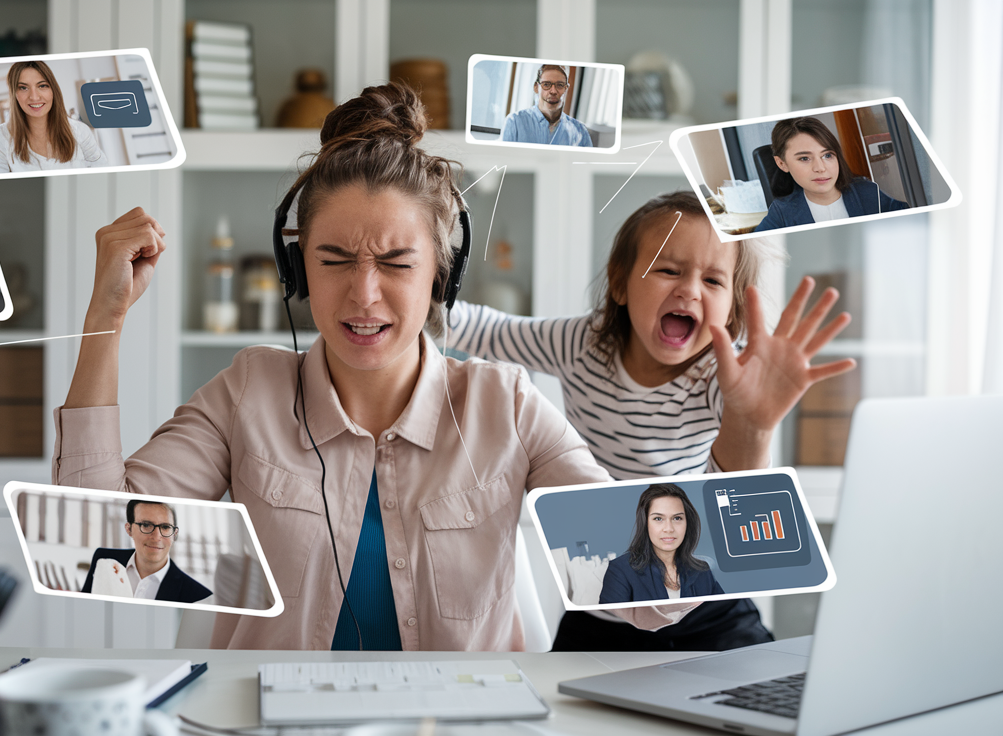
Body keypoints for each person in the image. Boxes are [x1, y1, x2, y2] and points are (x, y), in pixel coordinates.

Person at [53, 83, 693, 651]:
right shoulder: (249, 393)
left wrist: (742, 438)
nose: (364, 294)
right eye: (333, 260)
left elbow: (650, 600)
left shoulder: (508, 406)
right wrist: (104, 317)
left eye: (394, 262)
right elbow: (89, 551)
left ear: (441, 275)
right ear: (298, 270)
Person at [445, 190, 856, 650]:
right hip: (603, 606)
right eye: (668, 270)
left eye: (715, 281)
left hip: (706, 606)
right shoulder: (580, 343)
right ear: (620, 284)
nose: (689, 290)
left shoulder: (723, 376)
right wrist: (416, 289)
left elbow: (741, 509)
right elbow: (481, 329)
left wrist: (753, 424)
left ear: (734, 312)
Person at [753, 116, 908, 231]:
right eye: (805, 158)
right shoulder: (782, 212)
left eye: (827, 155)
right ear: (782, 163)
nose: (820, 168)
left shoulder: (867, 192)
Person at [599, 484, 723, 604]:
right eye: (658, 519)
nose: (668, 529)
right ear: (645, 523)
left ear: (687, 522)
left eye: (677, 518)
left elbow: (726, 615)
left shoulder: (702, 571)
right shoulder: (620, 570)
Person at [0, 60, 111, 173]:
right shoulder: (0, 137)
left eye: (42, 86)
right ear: (14, 94)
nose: (34, 97)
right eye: (23, 88)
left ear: (53, 90)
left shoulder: (80, 132)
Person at [80, 499, 212, 603]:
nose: (156, 537)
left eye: (165, 527)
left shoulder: (198, 596)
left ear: (174, 534)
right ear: (129, 529)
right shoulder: (104, 559)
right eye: (146, 525)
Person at [500, 64, 593, 147]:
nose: (553, 91)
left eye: (559, 85)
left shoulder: (581, 131)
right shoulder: (514, 122)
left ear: (566, 89)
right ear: (536, 87)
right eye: (546, 84)